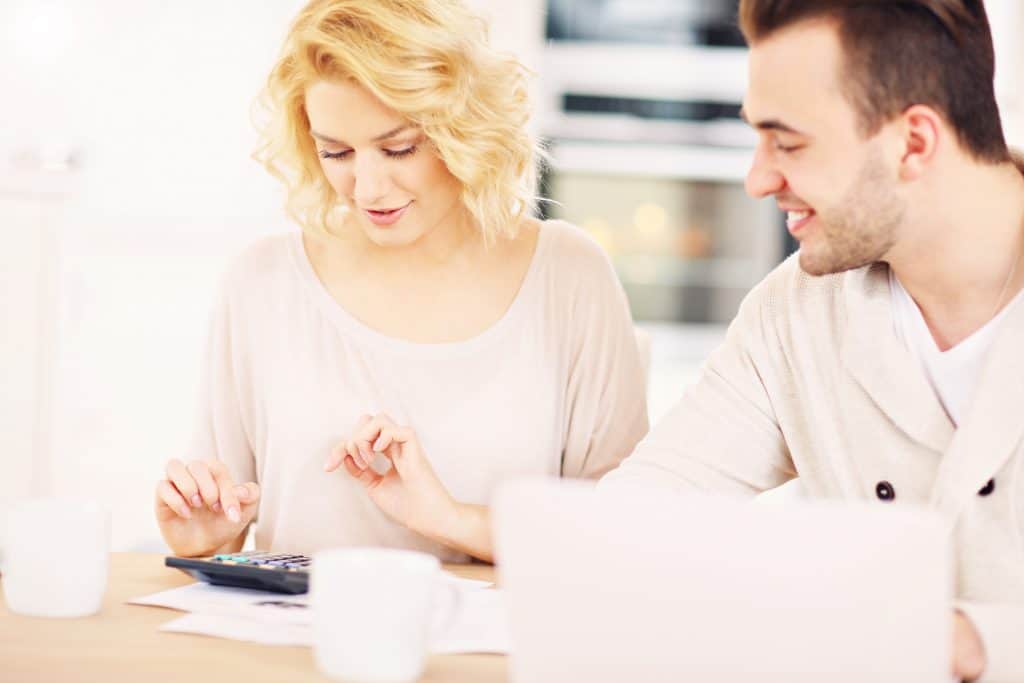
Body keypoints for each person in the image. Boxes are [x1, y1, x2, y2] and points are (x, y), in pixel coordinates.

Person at [600, 2, 1024, 681]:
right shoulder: (796, 311)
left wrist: (975, 641)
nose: (757, 179)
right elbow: (645, 509)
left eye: (788, 143)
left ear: (914, 142)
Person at [153, 0, 647, 565]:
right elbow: (223, 522)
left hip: (489, 653)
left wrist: (448, 520)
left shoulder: (567, 276)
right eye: (335, 152)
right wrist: (202, 534)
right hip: (292, 649)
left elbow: (614, 532)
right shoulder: (262, 282)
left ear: (464, 128)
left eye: (398, 148)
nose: (366, 188)